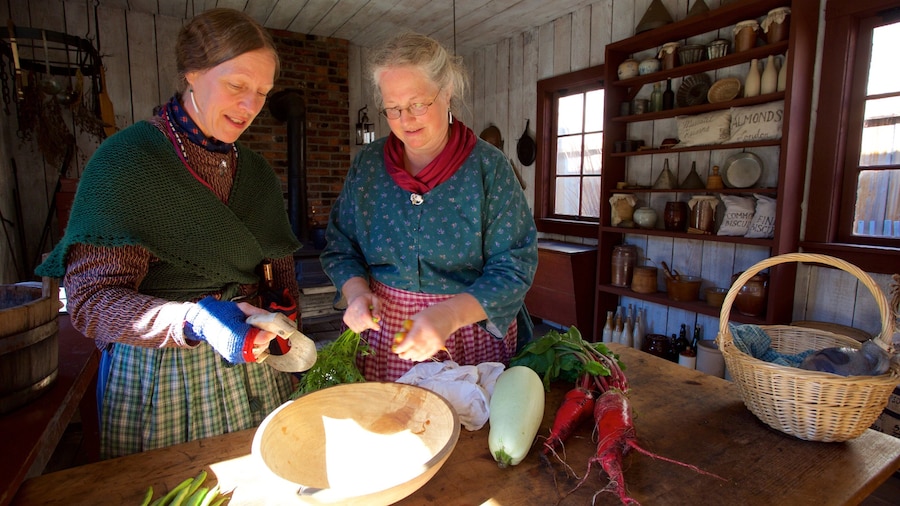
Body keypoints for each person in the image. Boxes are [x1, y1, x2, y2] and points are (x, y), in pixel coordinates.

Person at [35, 8, 301, 459]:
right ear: (192, 73)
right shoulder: (128, 162)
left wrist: (283, 309)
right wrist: (194, 320)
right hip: (164, 377)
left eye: (262, 92)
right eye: (237, 85)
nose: (250, 106)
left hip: (253, 368)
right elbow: (90, 303)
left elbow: (276, 264)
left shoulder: (254, 172)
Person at [320, 32, 538, 382]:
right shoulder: (369, 166)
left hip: (468, 335)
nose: (406, 119)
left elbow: (513, 268)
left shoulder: (489, 168)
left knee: (467, 433)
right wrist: (357, 292)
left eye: (418, 104)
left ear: (447, 92)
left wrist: (448, 316)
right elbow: (341, 246)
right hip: (386, 336)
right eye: (393, 109)